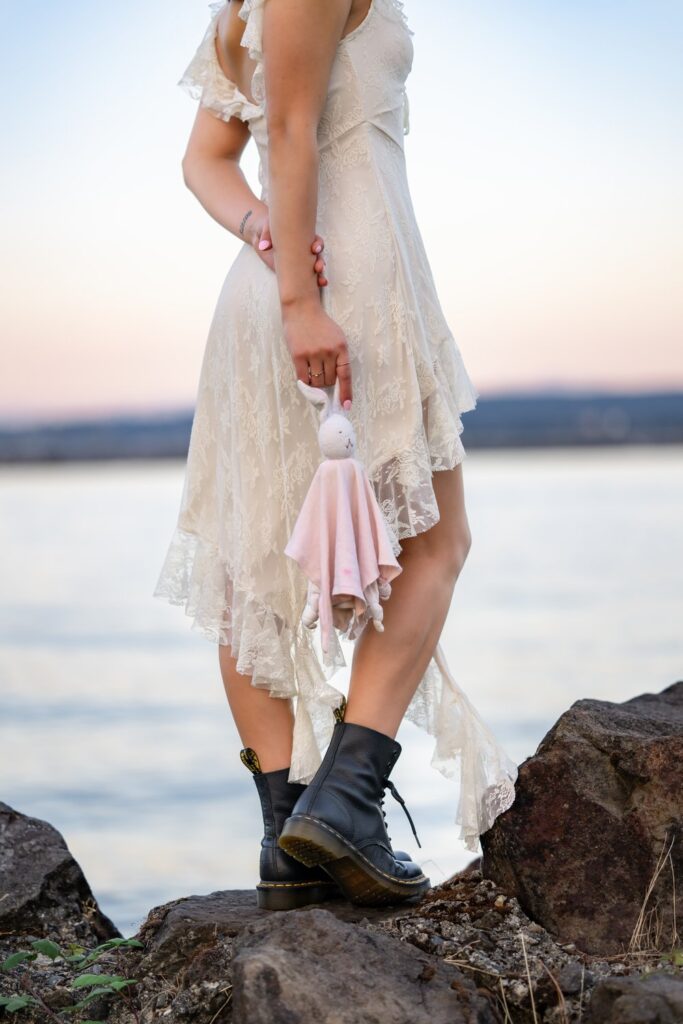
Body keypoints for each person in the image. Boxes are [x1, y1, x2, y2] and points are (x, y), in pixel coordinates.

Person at [154, 0, 517, 910]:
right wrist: (300, 300)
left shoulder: (242, 9)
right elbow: (282, 129)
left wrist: (267, 245)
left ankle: (289, 836)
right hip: (343, 288)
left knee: (252, 576)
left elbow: (206, 163)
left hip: (289, 285)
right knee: (436, 544)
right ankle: (345, 803)